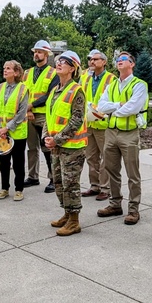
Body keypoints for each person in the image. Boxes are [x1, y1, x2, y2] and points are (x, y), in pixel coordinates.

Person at [95, 52, 149, 225]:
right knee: (111, 170)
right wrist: (118, 105)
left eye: (123, 59)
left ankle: (133, 209)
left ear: (132, 64)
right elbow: (101, 105)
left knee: (133, 173)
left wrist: (109, 111)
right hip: (111, 132)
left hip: (129, 133)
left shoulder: (139, 84)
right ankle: (115, 203)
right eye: (117, 60)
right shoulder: (111, 86)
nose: (119, 61)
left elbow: (133, 108)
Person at [45, 51, 88, 236]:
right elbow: (49, 116)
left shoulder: (76, 90)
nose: (59, 64)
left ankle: (74, 221)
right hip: (56, 146)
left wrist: (57, 139)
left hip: (72, 147)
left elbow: (76, 120)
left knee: (70, 183)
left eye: (64, 62)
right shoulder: (55, 90)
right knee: (59, 182)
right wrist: (47, 136)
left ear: (73, 68)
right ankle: (67, 213)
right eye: (58, 61)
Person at [0, 60, 30, 201]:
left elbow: (21, 112)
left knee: (18, 163)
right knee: (4, 162)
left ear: (17, 72)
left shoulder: (23, 89)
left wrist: (8, 127)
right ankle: (4, 188)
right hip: (2, 134)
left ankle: (19, 189)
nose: (5, 70)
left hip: (17, 133)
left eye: (8, 68)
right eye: (4, 68)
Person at [24, 40, 59, 193]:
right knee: (32, 148)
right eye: (35, 52)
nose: (36, 54)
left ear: (46, 54)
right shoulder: (27, 73)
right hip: (29, 114)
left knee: (47, 147)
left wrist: (32, 106)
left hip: (44, 115)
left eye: (39, 52)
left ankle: (54, 178)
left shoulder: (54, 73)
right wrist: (27, 110)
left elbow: (50, 95)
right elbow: (23, 93)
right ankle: (33, 176)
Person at [80, 49, 115, 202]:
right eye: (90, 59)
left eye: (95, 59)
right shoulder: (85, 77)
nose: (92, 62)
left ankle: (105, 187)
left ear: (104, 62)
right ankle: (94, 185)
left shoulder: (111, 79)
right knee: (91, 157)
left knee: (106, 157)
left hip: (103, 123)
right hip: (88, 123)